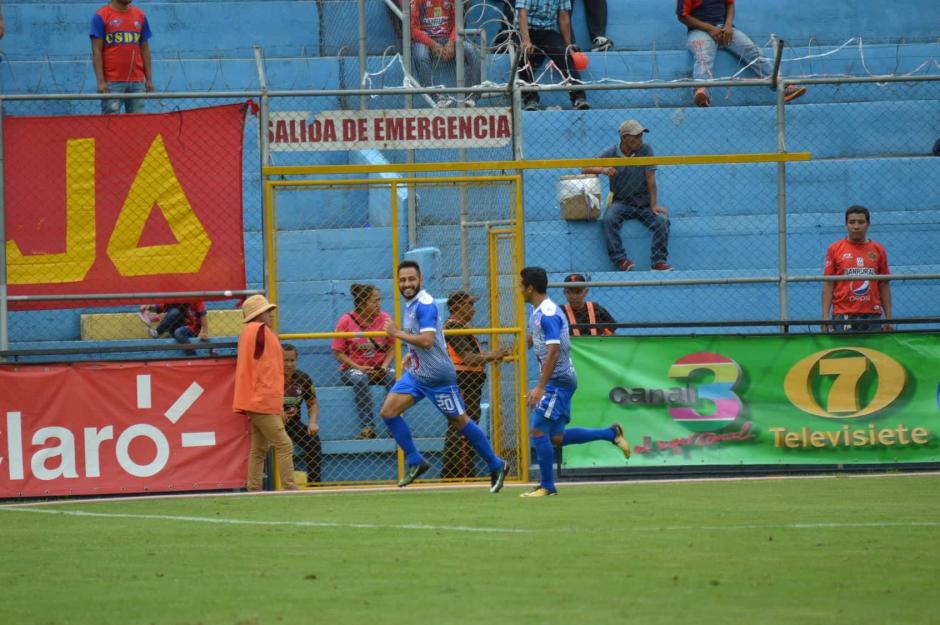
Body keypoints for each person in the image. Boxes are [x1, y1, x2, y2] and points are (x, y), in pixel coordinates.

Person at [380, 260, 509, 491]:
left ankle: (496, 464)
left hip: (438, 377)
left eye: (411, 279)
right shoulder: (411, 304)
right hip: (418, 373)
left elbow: (428, 340)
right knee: (388, 412)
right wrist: (412, 354)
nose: (407, 283)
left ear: (420, 280)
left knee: (460, 422)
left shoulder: (425, 304)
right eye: (402, 279)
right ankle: (415, 461)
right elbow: (423, 339)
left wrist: (397, 333)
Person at [519, 266, 631, 497]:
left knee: (538, 432)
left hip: (557, 381)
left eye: (521, 285)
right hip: (562, 379)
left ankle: (547, 487)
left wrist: (540, 387)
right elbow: (539, 340)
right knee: (556, 437)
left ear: (530, 288)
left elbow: (554, 352)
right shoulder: (539, 309)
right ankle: (611, 434)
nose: (518, 289)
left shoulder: (547, 314)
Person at [676, 0, 806, 108]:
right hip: (699, 30)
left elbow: (730, 4)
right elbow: (682, 15)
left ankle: (783, 87)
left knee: (752, 50)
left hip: (725, 28)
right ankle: (702, 91)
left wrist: (727, 26)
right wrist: (709, 28)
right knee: (703, 52)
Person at [582, 119, 673, 272]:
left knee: (662, 221)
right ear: (624, 138)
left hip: (643, 204)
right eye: (635, 137)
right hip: (621, 202)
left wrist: (654, 204)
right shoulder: (611, 152)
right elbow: (585, 168)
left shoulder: (646, 150)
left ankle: (658, 261)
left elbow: (651, 180)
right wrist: (603, 170)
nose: (639, 140)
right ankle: (620, 260)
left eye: (641, 136)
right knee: (609, 219)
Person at [441, 291, 512, 479]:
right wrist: (493, 355)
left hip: (468, 384)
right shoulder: (454, 327)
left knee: (464, 427)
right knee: (463, 429)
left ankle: (457, 472)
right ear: (455, 307)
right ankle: (459, 474)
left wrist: (494, 355)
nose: (472, 308)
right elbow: (468, 358)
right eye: (468, 304)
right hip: (463, 383)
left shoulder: (462, 327)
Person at [233, 294, 297, 491]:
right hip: (262, 400)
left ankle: (254, 488)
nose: (271, 315)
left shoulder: (249, 332)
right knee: (284, 444)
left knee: (259, 449)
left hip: (255, 399)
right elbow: (267, 375)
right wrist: (276, 406)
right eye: (267, 311)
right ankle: (289, 486)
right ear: (258, 314)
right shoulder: (259, 330)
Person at [332, 283, 395, 440]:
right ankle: (367, 427)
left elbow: (393, 347)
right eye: (375, 301)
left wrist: (384, 367)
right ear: (362, 304)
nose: (379, 304)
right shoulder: (346, 321)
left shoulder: (385, 319)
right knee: (359, 378)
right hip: (353, 369)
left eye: (380, 300)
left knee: (394, 376)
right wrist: (359, 367)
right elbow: (338, 353)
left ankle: (393, 425)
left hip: (379, 368)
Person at [822, 205, 892, 333]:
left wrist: (888, 318)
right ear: (846, 224)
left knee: (871, 352)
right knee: (845, 352)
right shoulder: (834, 249)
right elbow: (828, 284)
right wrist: (825, 318)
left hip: (872, 313)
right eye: (852, 222)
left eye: (861, 222)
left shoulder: (878, 249)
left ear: (868, 224)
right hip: (843, 313)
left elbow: (884, 284)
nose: (856, 226)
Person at [515, 0, 590, 111]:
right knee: (524, 59)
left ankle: (578, 98)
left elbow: (564, 16)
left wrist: (568, 46)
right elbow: (522, 14)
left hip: (547, 31)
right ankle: (530, 100)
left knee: (563, 54)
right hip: (525, 30)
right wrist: (526, 41)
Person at [410, 0, 481, 107]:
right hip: (425, 40)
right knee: (421, 56)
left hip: (447, 39)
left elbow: (459, 22)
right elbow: (413, 30)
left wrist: (451, 42)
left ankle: (471, 98)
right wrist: (432, 44)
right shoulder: (417, 1)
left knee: (471, 51)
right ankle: (435, 99)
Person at [90, 0, 154, 114]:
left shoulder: (140, 16)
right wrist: (100, 81)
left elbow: (145, 49)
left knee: (137, 123)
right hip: (111, 83)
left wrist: (148, 79)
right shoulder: (101, 16)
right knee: (111, 123)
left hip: (137, 82)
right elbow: (96, 51)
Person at [283, 343, 322, 484]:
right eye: (285, 360)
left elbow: (312, 403)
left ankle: (315, 484)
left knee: (313, 442)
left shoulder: (303, 378)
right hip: (274, 424)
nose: (289, 364)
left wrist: (312, 422)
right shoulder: (271, 378)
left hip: (293, 424)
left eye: (292, 360)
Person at [140, 301, 209, 356]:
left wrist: (204, 332)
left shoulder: (196, 299)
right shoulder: (176, 299)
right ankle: (156, 333)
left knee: (178, 332)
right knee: (174, 312)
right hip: (178, 325)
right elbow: (159, 308)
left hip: (192, 328)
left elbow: (203, 315)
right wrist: (147, 307)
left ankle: (192, 356)